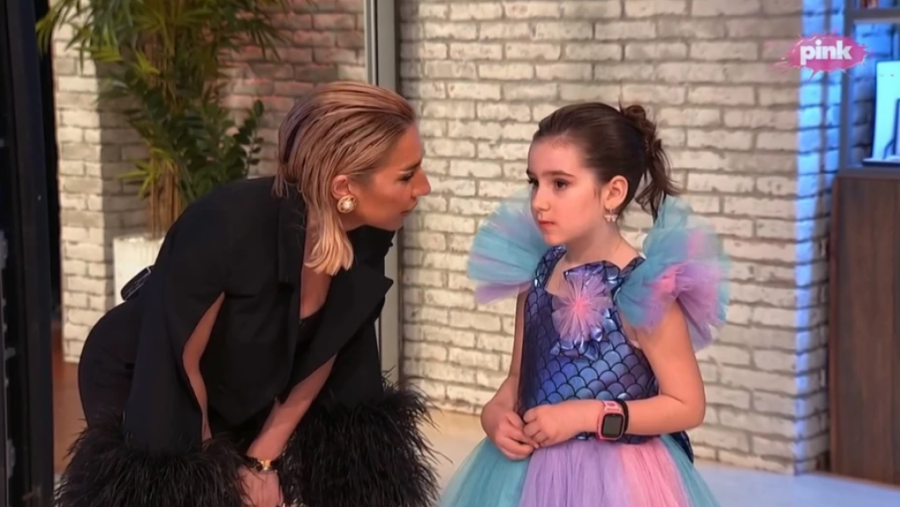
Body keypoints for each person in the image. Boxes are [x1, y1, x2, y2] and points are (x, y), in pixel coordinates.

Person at [56, 81, 437, 507]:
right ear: (343, 187)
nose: (423, 187)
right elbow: (181, 367)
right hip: (151, 373)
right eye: (407, 175)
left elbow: (324, 352)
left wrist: (262, 462)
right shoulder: (225, 226)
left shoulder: (365, 237)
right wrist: (219, 486)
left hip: (246, 382)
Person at [437, 102, 730, 507]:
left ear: (613, 192)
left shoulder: (644, 291)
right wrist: (496, 412)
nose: (539, 201)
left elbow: (687, 405)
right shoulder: (536, 274)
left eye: (559, 184)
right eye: (534, 182)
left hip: (619, 482)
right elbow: (518, 377)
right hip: (528, 476)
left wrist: (587, 415)